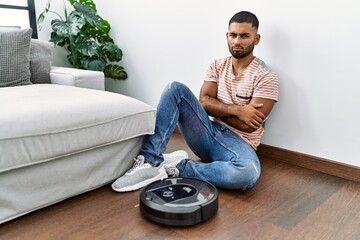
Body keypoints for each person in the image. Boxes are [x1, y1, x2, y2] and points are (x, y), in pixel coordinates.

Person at [112, 11, 279, 192]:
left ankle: (178, 167)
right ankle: (150, 161)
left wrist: (214, 108)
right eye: (233, 35)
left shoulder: (266, 76)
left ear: (256, 38)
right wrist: (239, 111)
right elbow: (204, 102)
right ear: (227, 36)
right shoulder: (217, 65)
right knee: (174, 89)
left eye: (245, 36)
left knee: (247, 174)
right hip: (206, 133)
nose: (237, 41)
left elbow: (250, 126)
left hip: (238, 143)